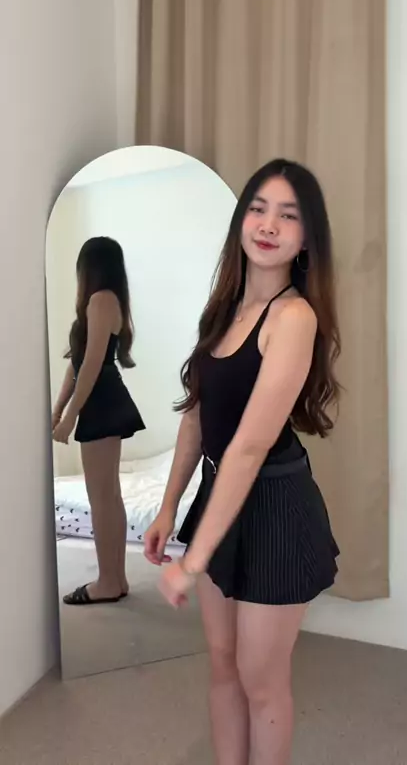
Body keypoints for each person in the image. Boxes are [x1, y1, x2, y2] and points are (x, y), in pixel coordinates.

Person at [144, 158, 341, 765]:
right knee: (223, 665)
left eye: (288, 215)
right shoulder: (224, 310)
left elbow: (251, 447)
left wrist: (193, 560)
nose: (268, 224)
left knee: (261, 680)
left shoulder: (295, 317)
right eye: (258, 208)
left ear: (306, 239)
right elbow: (196, 419)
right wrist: (169, 507)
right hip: (219, 492)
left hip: (274, 504)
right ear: (241, 221)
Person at [53, 236, 145, 606]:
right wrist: (58, 410)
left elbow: (90, 364)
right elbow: (76, 363)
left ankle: (108, 581)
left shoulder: (101, 300)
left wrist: (69, 416)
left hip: (101, 399)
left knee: (102, 497)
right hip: (102, 396)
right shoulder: (104, 300)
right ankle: (115, 579)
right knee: (108, 495)